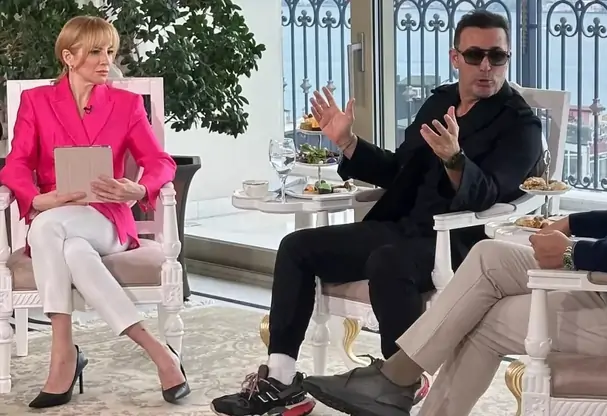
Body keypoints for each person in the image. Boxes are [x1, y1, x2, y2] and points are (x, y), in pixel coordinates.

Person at [301, 26, 607, 416]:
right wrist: (572, 225)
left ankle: (395, 383)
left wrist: (571, 255)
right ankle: (396, 380)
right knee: (490, 255)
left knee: (485, 321)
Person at [210, 10, 545, 416]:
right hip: (401, 226)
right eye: (475, 55)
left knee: (389, 260)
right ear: (455, 57)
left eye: (498, 56)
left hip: (458, 241)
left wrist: (455, 160)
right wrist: (348, 142)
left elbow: (490, 195)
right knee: (296, 247)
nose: (487, 66)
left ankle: (401, 383)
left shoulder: (521, 125)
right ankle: (281, 381)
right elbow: (399, 169)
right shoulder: (440, 101)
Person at [0, 16, 189, 408]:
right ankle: (158, 352)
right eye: (96, 52)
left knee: (45, 228)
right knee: (70, 248)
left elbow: (160, 162)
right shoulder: (37, 102)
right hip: (58, 217)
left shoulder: (126, 105)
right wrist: (37, 199)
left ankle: (62, 354)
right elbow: (15, 165)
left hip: (108, 221)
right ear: (69, 57)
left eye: (110, 51)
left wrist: (139, 188)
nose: (107, 61)